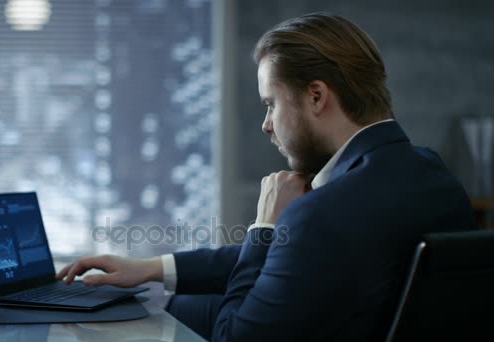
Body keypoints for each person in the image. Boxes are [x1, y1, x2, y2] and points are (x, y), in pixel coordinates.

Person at [56, 12, 475, 341]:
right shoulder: (433, 176)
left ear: (316, 96)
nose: (266, 124)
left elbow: (233, 336)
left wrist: (263, 227)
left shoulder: (318, 214)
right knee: (171, 298)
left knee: (161, 314)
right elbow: (298, 260)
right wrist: (150, 267)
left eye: (270, 104)